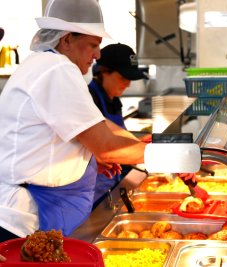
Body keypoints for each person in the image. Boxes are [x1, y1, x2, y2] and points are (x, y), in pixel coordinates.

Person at [0, 0, 148, 243]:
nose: (98, 54)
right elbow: (107, 147)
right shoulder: (57, 69)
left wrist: (83, 161)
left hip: (23, 215)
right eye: (93, 44)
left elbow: (85, 127)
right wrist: (174, 156)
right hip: (19, 221)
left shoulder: (43, 65)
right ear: (67, 39)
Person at [88, 43, 147, 208]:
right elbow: (103, 148)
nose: (128, 84)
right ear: (103, 72)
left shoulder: (113, 100)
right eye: (123, 77)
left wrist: (137, 142)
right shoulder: (89, 101)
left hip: (111, 186)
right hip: (92, 193)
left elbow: (115, 136)